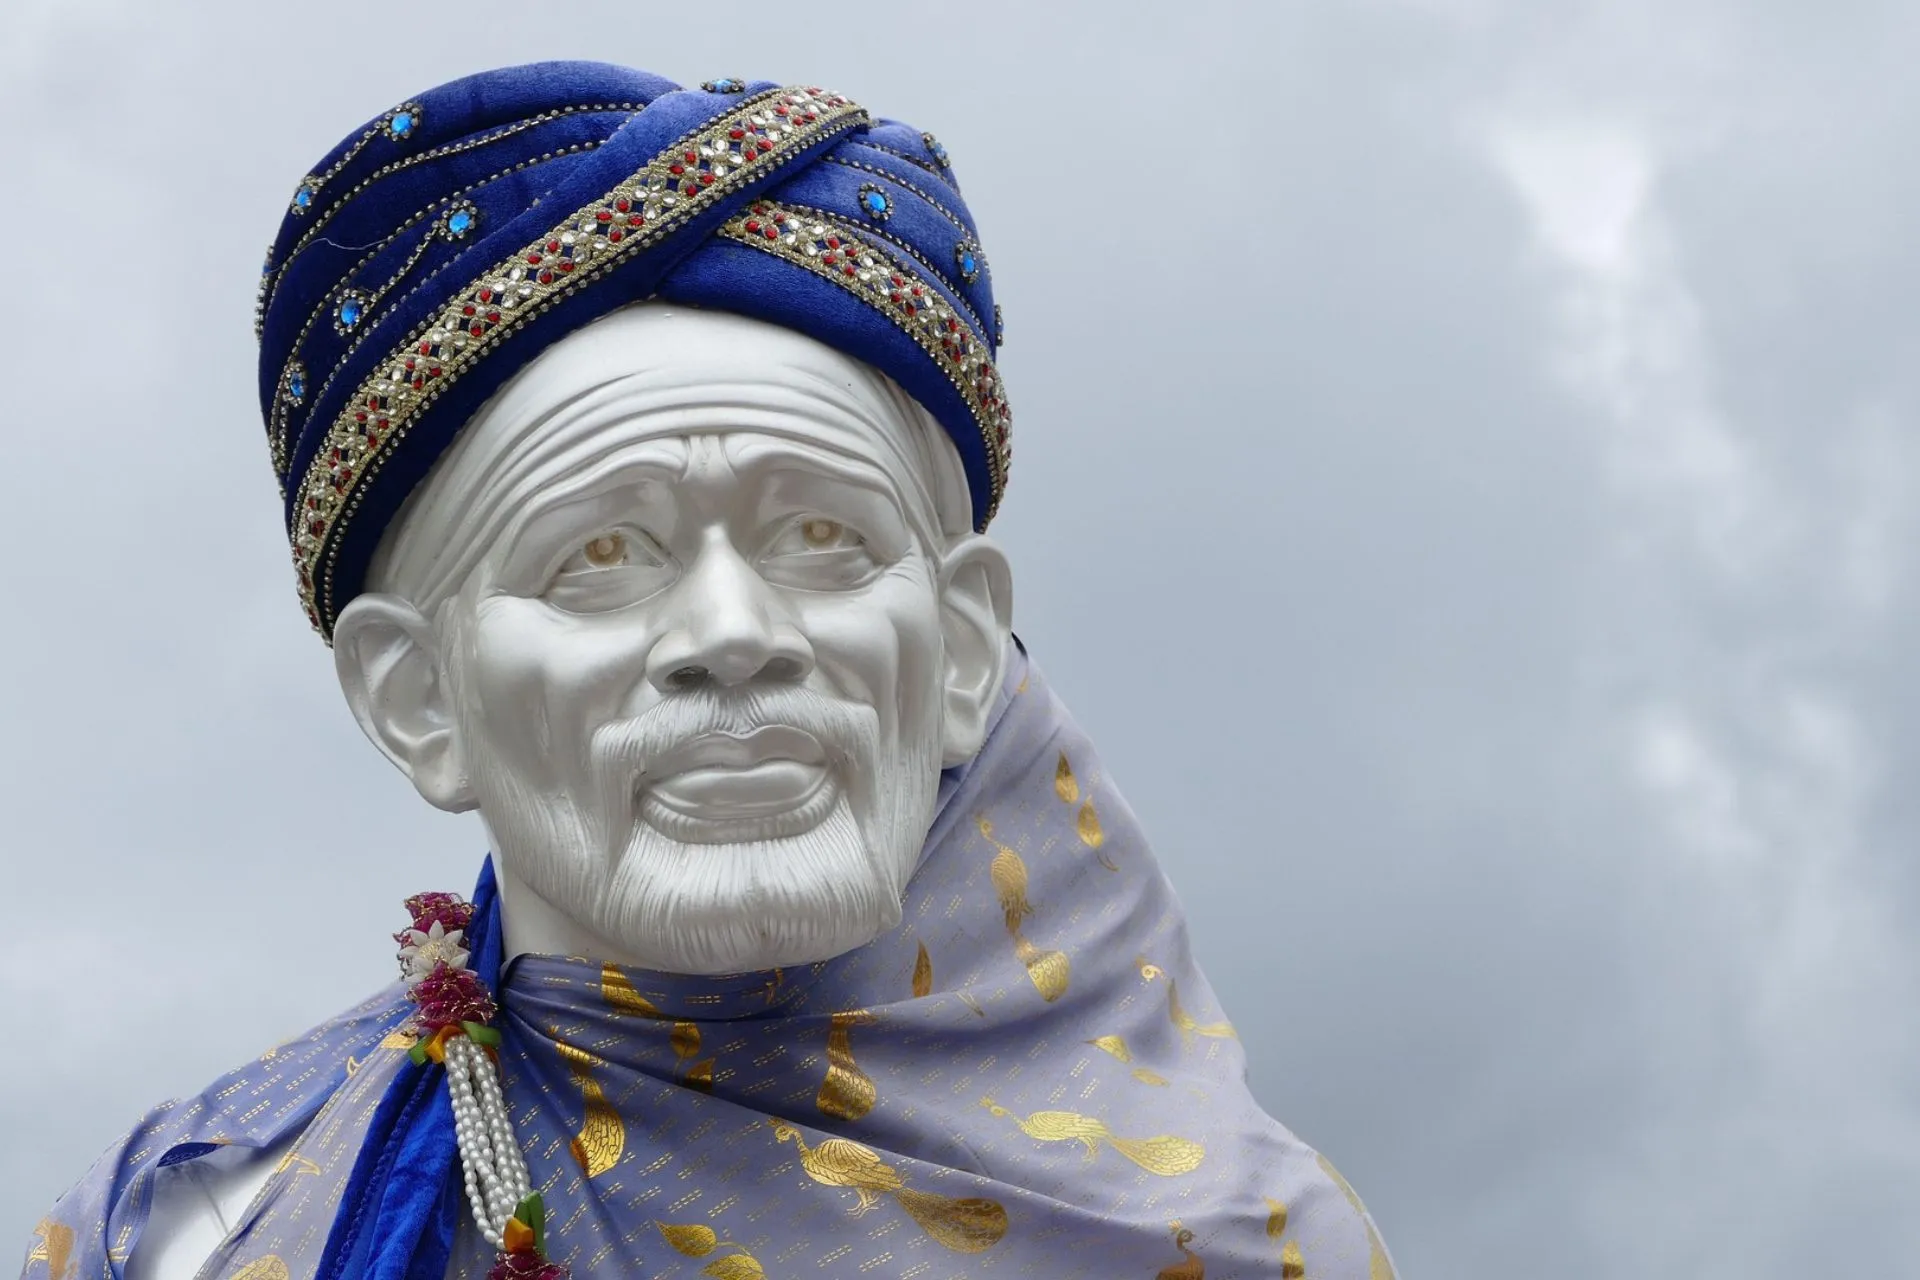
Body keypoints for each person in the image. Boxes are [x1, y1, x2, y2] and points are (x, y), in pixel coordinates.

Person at [21, 62, 1396, 1280]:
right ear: (417, 698)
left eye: (825, 539)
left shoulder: (1240, 1243)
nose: (735, 632)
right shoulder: (198, 1227)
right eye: (599, 556)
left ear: (965, 646)